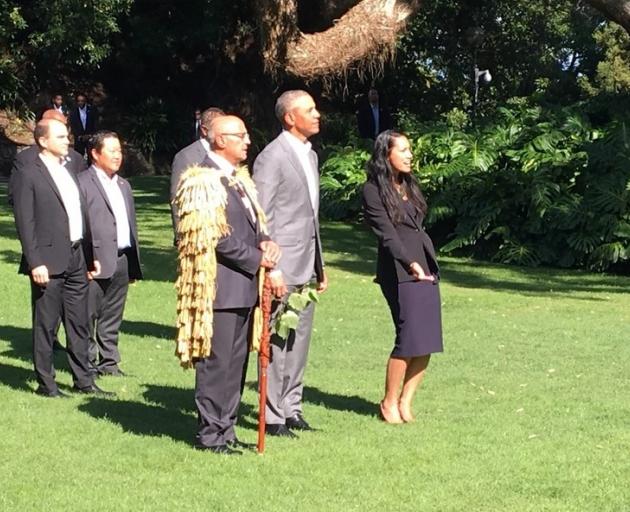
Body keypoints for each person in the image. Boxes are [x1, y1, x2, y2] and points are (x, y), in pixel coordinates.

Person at [179, 114, 280, 454]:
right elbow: (214, 237)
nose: (248, 141)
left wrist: (266, 241)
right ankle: (210, 434)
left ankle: (227, 427)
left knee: (237, 363)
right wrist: (257, 258)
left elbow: (256, 224)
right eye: (241, 136)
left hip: (245, 286)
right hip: (220, 286)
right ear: (221, 140)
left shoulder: (239, 180)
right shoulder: (201, 180)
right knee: (217, 362)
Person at [10, 118, 112, 398]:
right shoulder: (28, 173)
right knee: (46, 323)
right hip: (48, 260)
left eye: (66, 136)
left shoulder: (69, 169)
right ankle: (47, 383)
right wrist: (35, 261)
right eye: (61, 136)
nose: (68, 140)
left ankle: (84, 380)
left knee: (79, 321)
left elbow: (80, 215)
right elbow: (25, 221)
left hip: (77, 256)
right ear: (43, 141)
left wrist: (90, 256)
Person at [253, 90, 328, 437]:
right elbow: (262, 217)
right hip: (283, 265)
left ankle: (292, 407)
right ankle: (272, 414)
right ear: (289, 118)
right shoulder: (272, 157)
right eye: (309, 110)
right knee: (278, 340)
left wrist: (320, 267)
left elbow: (310, 217)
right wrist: (273, 268)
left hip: (307, 263)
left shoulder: (309, 156)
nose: (317, 115)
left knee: (300, 340)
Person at [362, 130, 442, 424]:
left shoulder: (409, 183)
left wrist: (423, 262)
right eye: (404, 150)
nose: (410, 155)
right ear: (386, 155)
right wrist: (409, 263)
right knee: (408, 338)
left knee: (427, 339)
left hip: (426, 267)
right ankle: (388, 402)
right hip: (399, 270)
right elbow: (386, 233)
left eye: (410, 150)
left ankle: (406, 401)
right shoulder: (372, 190)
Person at [79, 131, 142, 377]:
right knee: (88, 314)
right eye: (112, 151)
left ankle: (109, 362)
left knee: (113, 314)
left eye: (120, 151)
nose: (118, 156)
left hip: (122, 257)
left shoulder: (123, 184)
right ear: (95, 154)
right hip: (94, 259)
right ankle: (87, 363)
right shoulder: (82, 183)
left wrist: (133, 262)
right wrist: (84, 260)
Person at [169, 107, 225, 245]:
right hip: (199, 235)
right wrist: (182, 236)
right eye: (220, 128)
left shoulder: (226, 153)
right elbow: (177, 198)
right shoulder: (186, 157)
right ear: (204, 130)